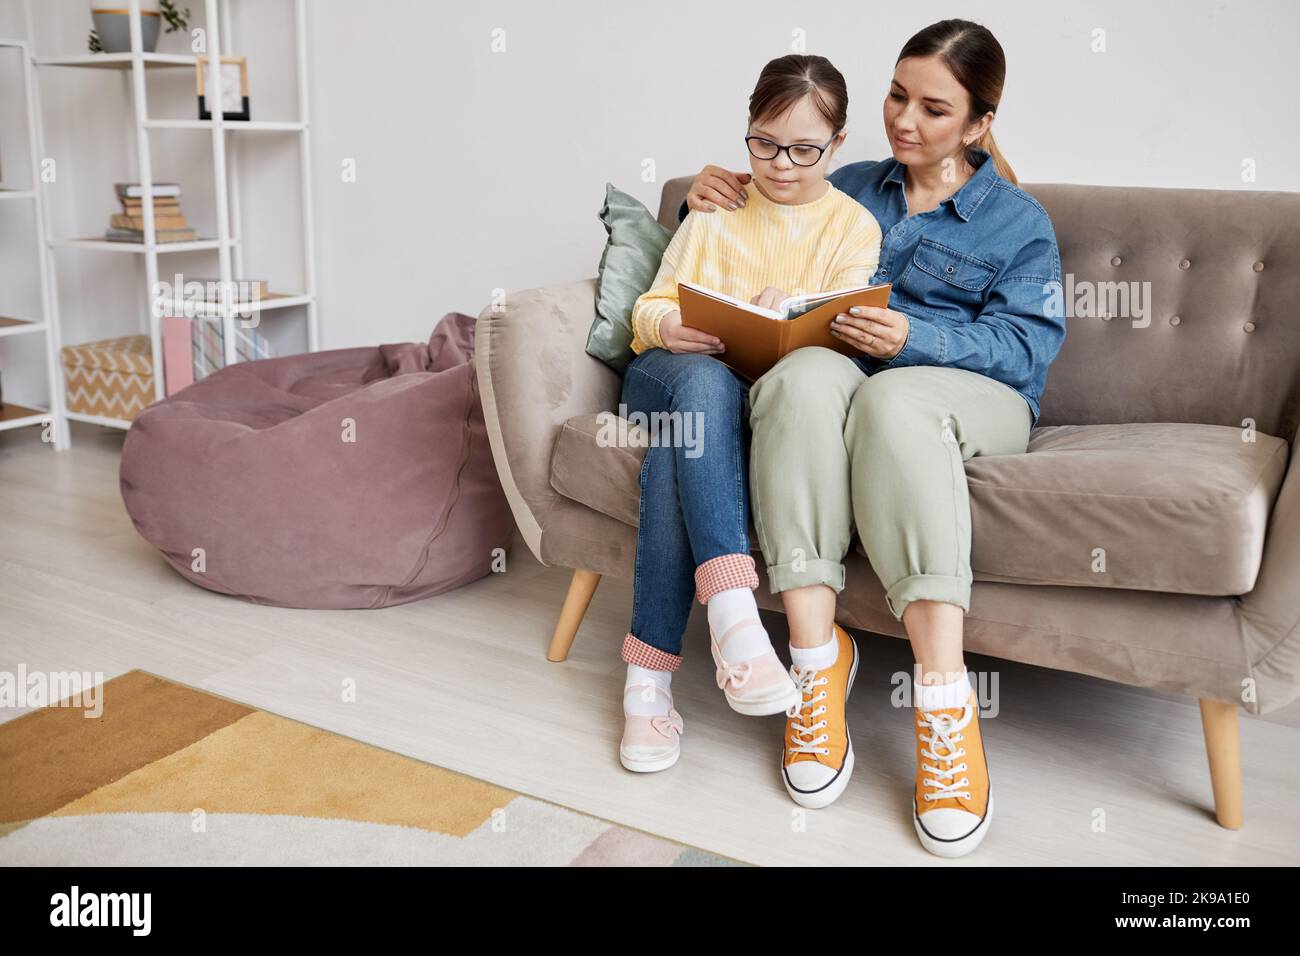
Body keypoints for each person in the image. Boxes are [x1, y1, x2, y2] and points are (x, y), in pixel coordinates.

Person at [681, 20, 1065, 855]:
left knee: (895, 406)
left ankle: (944, 700)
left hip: (976, 396)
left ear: (977, 125)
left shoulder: (1017, 222)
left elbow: (1028, 350)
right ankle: (816, 663)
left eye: (934, 108)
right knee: (797, 381)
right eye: (897, 94)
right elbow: (764, 203)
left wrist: (913, 339)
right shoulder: (849, 181)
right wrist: (703, 196)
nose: (905, 119)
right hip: (852, 374)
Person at [617, 54, 884, 775]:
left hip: (742, 396)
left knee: (685, 445)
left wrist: (793, 316)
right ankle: (735, 622)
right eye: (764, 143)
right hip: (664, 373)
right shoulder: (720, 206)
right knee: (699, 385)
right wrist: (668, 327)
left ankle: (647, 687)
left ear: (838, 143)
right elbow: (650, 305)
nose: (781, 166)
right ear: (747, 132)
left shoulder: (852, 229)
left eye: (804, 150)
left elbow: (838, 336)